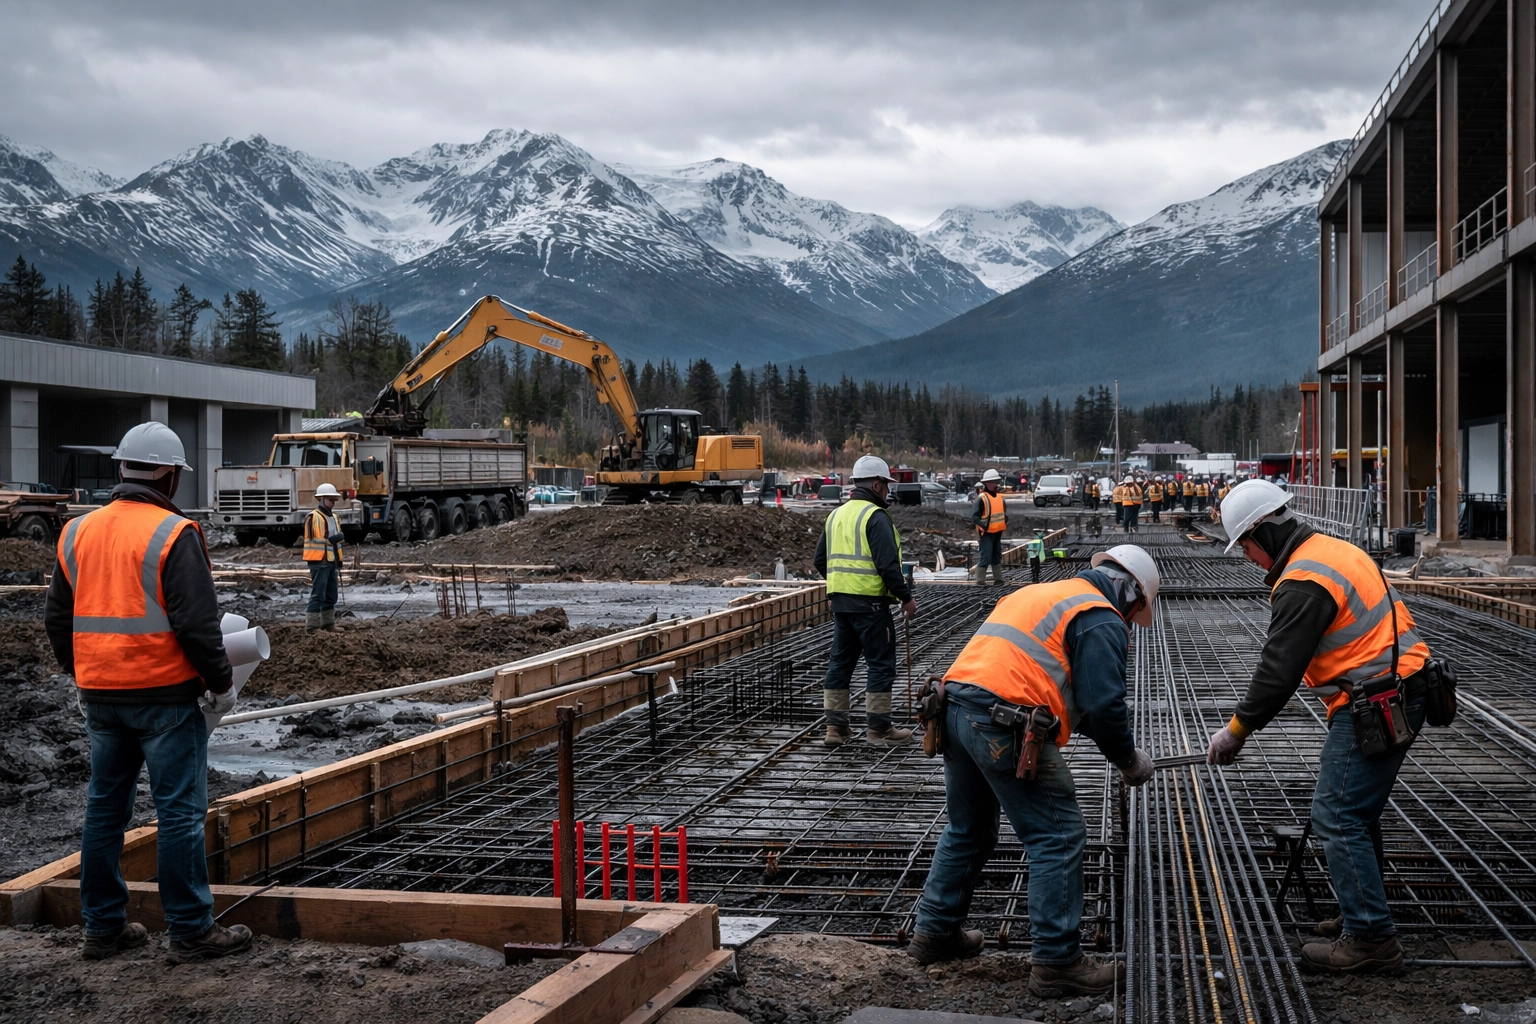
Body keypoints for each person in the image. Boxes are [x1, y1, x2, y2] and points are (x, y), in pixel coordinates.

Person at [909, 545, 1160, 996]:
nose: (1132, 619)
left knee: (968, 829)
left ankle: (934, 933)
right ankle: (1058, 962)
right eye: (1137, 609)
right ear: (1132, 592)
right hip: (1002, 724)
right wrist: (1128, 760)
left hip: (953, 710)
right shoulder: (1101, 615)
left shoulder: (1039, 594)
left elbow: (1047, 683)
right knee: (1058, 835)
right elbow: (1104, 704)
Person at [44, 422, 252, 963]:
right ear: (167, 475)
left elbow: (56, 619)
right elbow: (198, 625)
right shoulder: (172, 532)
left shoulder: (76, 531)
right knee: (180, 813)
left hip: (101, 698)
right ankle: (189, 931)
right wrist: (223, 685)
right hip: (164, 697)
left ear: (121, 468)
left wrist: (82, 672)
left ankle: (103, 927)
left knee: (104, 810)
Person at [1206, 479, 1433, 975]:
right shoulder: (1332, 550)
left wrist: (1237, 730)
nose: (1246, 558)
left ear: (1264, 531)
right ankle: (1360, 911)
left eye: (1245, 545)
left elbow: (1278, 669)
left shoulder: (1304, 580)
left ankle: (1371, 938)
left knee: (1336, 816)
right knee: (1358, 812)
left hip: (1376, 701)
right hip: (1400, 689)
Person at [814, 455, 918, 746]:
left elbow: (820, 560)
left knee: (840, 664)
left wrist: (843, 584)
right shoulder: (875, 516)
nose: (887, 491)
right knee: (881, 665)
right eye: (885, 485)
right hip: (872, 607)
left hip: (842, 605)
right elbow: (887, 566)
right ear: (875, 484)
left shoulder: (836, 515)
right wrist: (906, 599)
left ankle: (835, 729)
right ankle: (879, 729)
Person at [303, 482, 346, 631]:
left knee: (331, 594)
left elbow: (336, 542)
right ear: (321, 499)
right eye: (330, 500)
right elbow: (314, 539)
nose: (333, 503)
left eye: (334, 500)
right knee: (318, 593)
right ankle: (312, 626)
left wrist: (339, 560)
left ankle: (328, 624)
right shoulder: (313, 516)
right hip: (319, 560)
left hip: (331, 560)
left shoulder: (334, 517)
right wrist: (333, 539)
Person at [972, 469, 1007, 586]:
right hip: (987, 533)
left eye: (996, 481)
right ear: (986, 483)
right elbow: (975, 517)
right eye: (992, 482)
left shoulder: (999, 498)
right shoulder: (982, 498)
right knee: (986, 557)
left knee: (996, 556)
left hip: (997, 532)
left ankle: (998, 579)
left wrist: (1003, 522)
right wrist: (984, 525)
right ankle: (980, 581)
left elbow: (1003, 513)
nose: (995, 484)